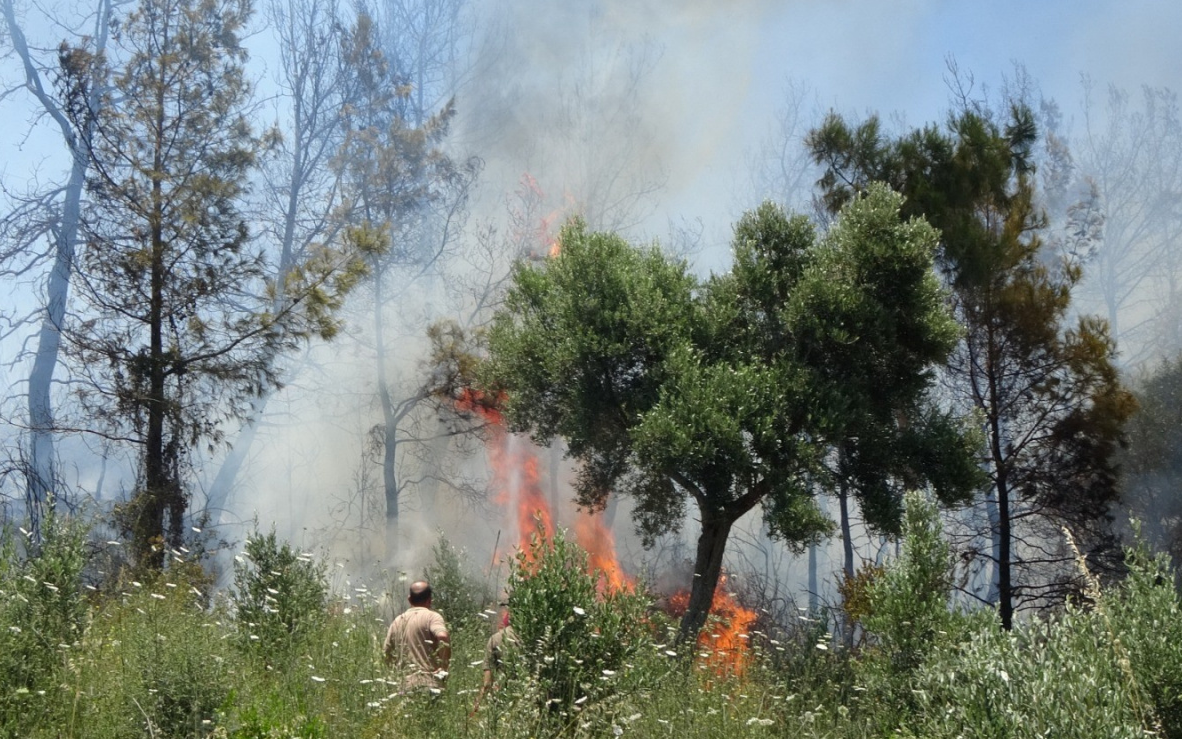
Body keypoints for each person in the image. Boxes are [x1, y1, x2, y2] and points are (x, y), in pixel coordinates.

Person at [383, 580, 451, 693]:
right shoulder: (432, 617)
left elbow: (386, 653)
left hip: (405, 686)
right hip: (430, 683)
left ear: (409, 599)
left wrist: (398, 672)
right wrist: (443, 667)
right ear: (430, 600)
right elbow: (443, 636)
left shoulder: (398, 621)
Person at [471, 605, 519, 713]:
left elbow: (487, 682)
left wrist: (477, 703)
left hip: (504, 695)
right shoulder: (535, 638)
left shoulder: (495, 639)